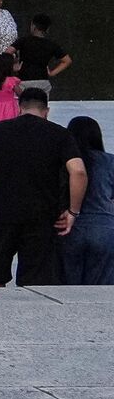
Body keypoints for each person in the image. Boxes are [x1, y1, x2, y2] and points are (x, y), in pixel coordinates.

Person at [0, 88, 86, 287]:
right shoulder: (60, 134)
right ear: (47, 111)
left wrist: (4, 181)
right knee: (35, 280)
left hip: (3, 214)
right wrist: (73, 212)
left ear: (19, 108)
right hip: (42, 216)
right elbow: (78, 171)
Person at [60, 117, 114, 286]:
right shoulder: (110, 161)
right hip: (103, 229)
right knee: (100, 290)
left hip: (68, 228)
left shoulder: (65, 162)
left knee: (67, 289)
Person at [12, 14, 70, 98]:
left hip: (24, 81)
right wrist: (52, 73)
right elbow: (67, 61)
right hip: (43, 81)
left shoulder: (23, 41)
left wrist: (12, 66)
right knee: (41, 104)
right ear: (48, 29)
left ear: (33, 26)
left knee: (24, 104)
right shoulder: (51, 44)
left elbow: (7, 52)